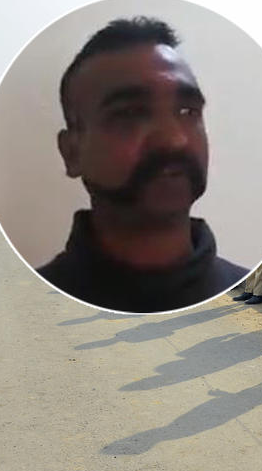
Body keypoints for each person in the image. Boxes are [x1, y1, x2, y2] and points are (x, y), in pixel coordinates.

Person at [38, 17, 246, 313]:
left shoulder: (238, 288)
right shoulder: (38, 302)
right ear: (71, 152)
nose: (174, 140)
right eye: (130, 114)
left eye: (187, 111)